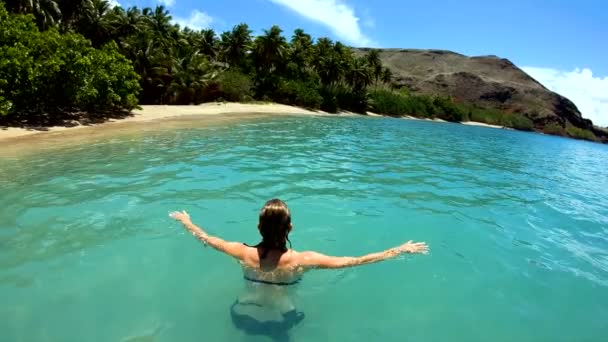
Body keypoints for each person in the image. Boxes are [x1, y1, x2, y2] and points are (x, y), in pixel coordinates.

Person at [169, 198, 429, 339]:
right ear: (290, 229)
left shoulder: (242, 252)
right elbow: (354, 260)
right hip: (282, 318)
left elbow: (206, 238)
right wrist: (397, 250)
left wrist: (187, 221)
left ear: (259, 228)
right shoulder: (302, 260)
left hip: (242, 311)